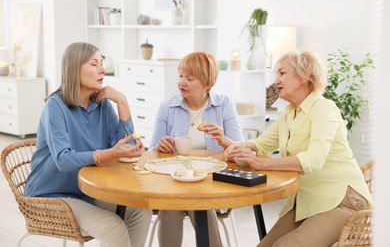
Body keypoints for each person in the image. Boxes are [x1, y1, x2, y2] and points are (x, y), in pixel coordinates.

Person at [224, 50, 374, 247]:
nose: (275, 80)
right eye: (275, 74)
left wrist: (260, 162)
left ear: (305, 76)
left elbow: (314, 159)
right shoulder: (288, 114)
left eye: (282, 73)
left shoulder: (324, 108)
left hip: (342, 200)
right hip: (308, 199)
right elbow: (260, 145)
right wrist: (235, 148)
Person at [24, 42, 152, 247]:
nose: (103, 69)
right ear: (75, 68)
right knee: (113, 226)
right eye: (94, 64)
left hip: (86, 192)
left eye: (101, 63)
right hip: (50, 196)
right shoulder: (54, 106)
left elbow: (126, 150)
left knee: (140, 210)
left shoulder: (101, 105)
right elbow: (63, 160)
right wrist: (107, 154)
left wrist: (122, 102)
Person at [150, 51, 244, 247]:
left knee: (200, 201)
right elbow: (151, 153)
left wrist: (223, 139)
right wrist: (159, 147)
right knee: (170, 206)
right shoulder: (167, 107)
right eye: (180, 76)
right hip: (174, 181)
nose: (181, 82)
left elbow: (239, 150)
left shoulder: (224, 105)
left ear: (207, 84)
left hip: (212, 183)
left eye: (190, 78)